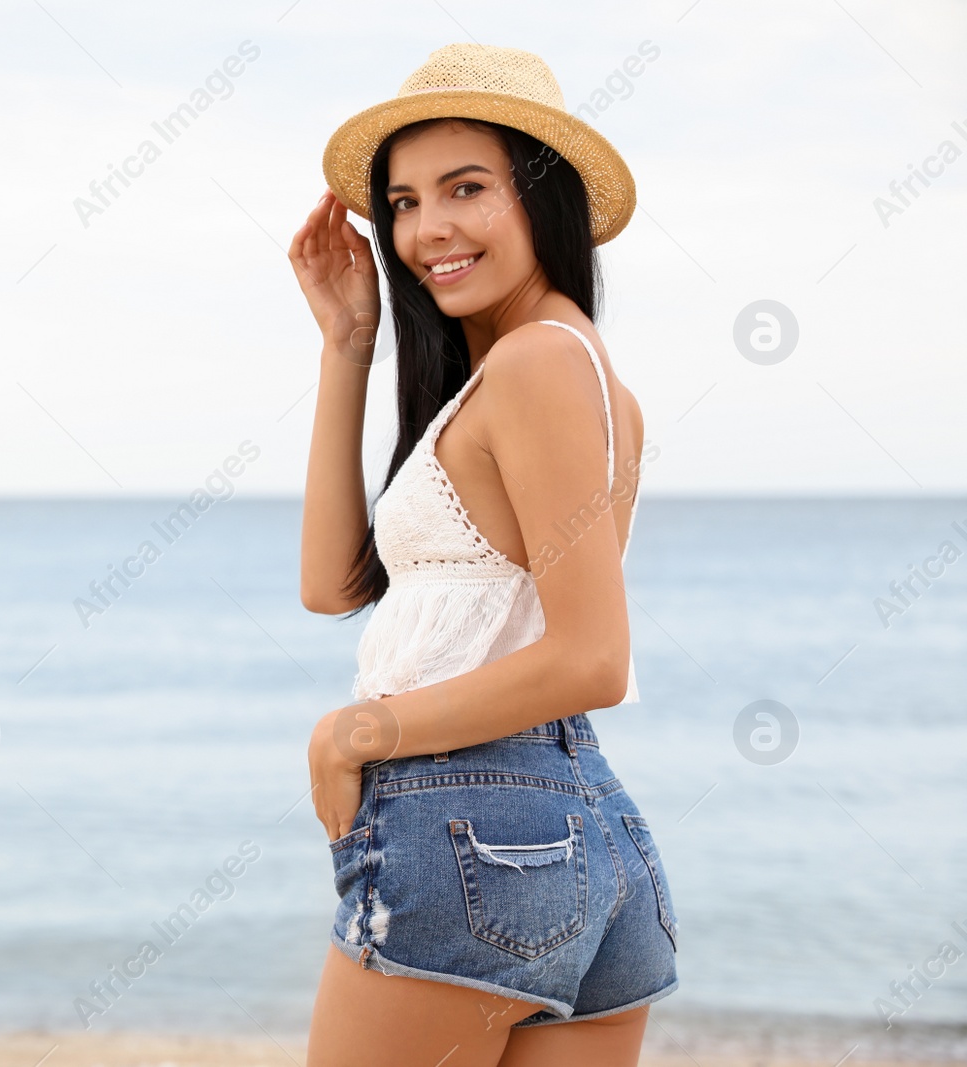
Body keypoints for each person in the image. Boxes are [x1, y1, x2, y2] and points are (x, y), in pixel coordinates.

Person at [289, 44, 679, 1067]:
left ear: (541, 199)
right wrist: (346, 347)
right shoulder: (567, 373)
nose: (427, 231)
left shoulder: (538, 362)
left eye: (467, 189)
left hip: (471, 820)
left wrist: (356, 730)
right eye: (406, 202)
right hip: (585, 830)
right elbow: (330, 583)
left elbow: (594, 655)